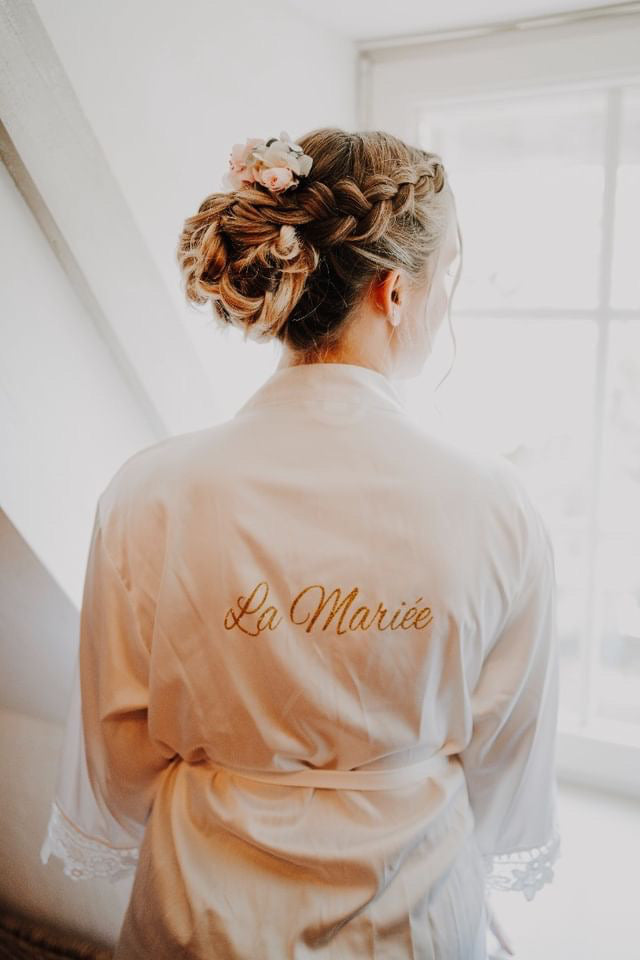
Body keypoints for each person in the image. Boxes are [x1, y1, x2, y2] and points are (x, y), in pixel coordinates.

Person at [40, 128, 561, 959]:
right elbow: (503, 748)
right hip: (416, 909)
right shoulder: (495, 504)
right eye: (444, 279)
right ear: (394, 292)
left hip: (202, 907)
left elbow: (120, 749)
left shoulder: (152, 492)